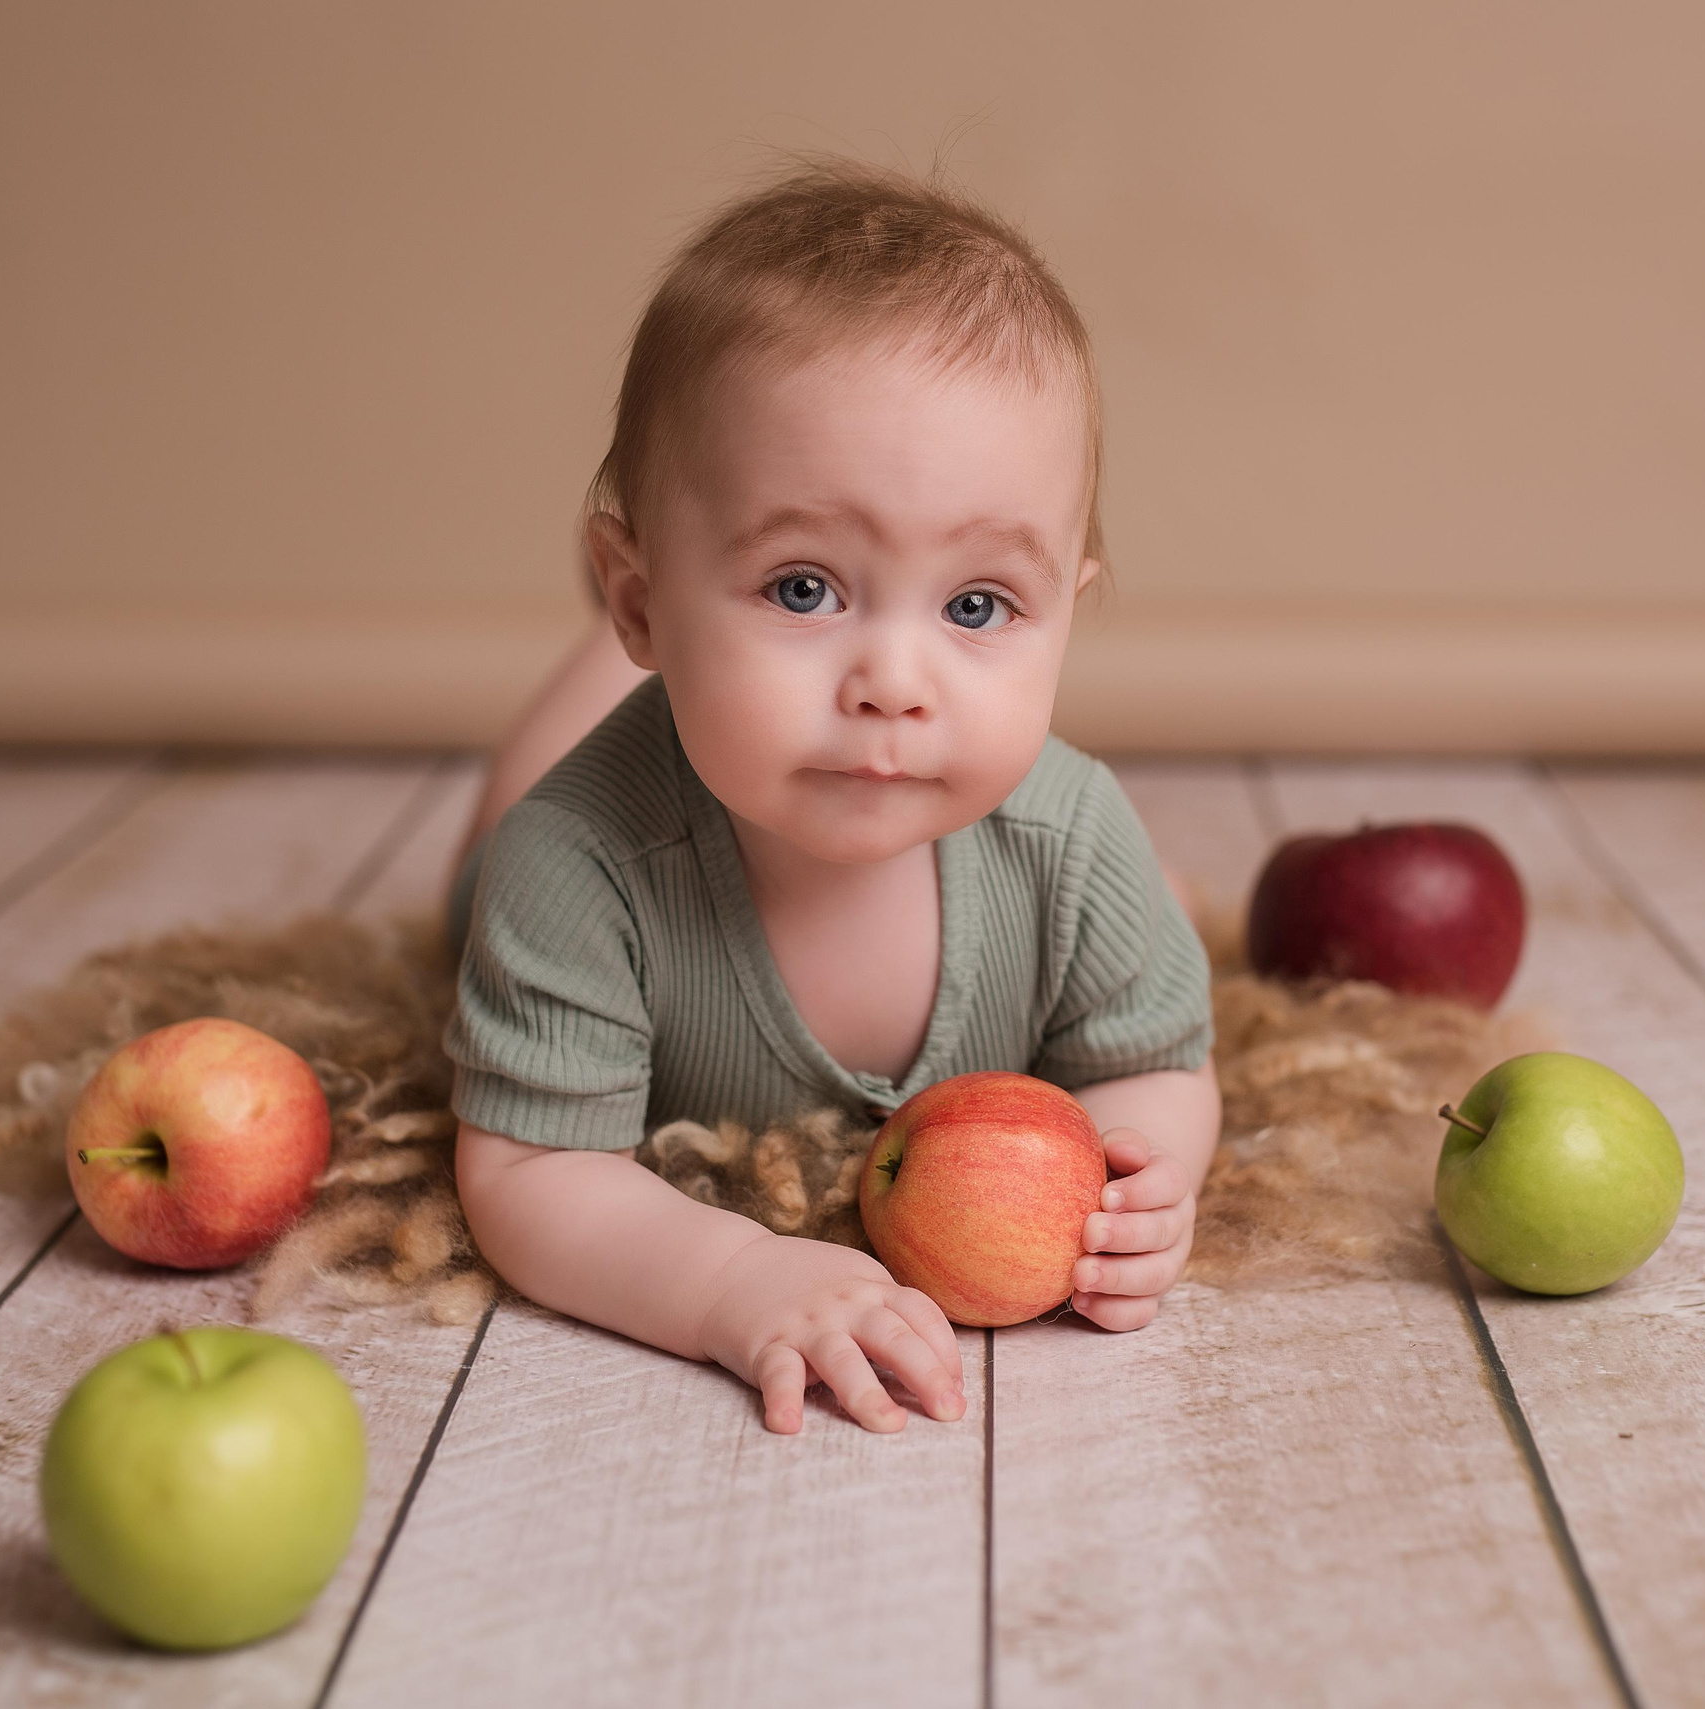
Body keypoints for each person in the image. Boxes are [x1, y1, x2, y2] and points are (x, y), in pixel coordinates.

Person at [446, 158, 1219, 1435]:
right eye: (804, 586)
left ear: (1065, 617)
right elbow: (531, 1171)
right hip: (577, 839)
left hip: (731, 725)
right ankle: (610, 662)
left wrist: (1144, 1178)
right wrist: (732, 1274)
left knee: (1143, 942)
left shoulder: (1072, 833)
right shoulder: (573, 866)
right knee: (515, 818)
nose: (893, 683)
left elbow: (1159, 1072)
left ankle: (719, 637)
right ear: (639, 590)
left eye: (978, 606)